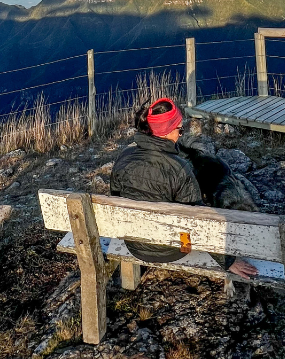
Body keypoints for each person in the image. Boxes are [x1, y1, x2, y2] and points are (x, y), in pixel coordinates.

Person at [110, 97, 257, 280]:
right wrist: (228, 261)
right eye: (179, 130)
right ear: (166, 132)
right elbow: (198, 221)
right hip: (172, 249)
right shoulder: (179, 168)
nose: (181, 135)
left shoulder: (124, 157)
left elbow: (115, 199)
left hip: (133, 242)